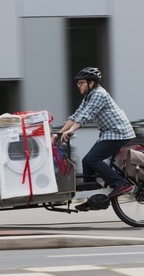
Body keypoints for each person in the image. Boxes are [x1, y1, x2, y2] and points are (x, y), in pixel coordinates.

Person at [53, 67, 136, 211]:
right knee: (87, 161)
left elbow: (86, 116)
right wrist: (59, 133)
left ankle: (121, 184)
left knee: (92, 159)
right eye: (78, 83)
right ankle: (94, 198)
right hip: (108, 133)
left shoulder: (99, 94)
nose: (79, 86)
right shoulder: (89, 96)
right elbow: (76, 116)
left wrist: (72, 131)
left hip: (118, 133)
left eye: (82, 83)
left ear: (91, 83)